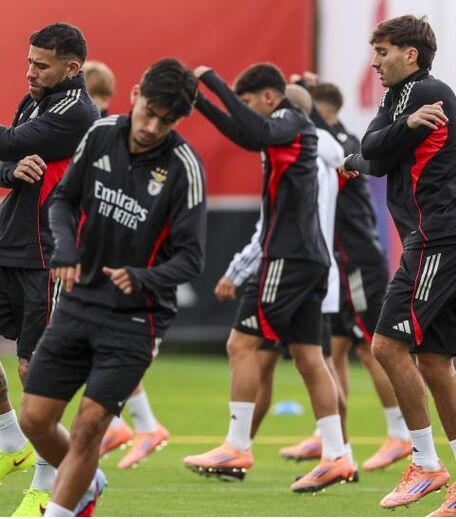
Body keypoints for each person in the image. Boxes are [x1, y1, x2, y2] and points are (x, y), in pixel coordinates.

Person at [20, 58, 205, 517]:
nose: (151, 126)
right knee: (35, 419)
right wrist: (65, 249)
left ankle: (65, 506)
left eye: (166, 121)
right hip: (79, 301)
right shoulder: (100, 135)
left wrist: (142, 277)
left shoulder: (184, 167)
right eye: (149, 112)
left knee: (88, 428)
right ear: (135, 92)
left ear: (180, 121)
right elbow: (63, 199)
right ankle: (86, 481)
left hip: (135, 318)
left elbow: (192, 259)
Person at [0, 22, 99, 515]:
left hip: (48, 257)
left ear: (71, 68)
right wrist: (9, 170)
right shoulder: (34, 98)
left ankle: (46, 483)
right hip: (10, 247)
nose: (30, 71)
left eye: (41, 64)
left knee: (37, 372)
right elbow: (0, 159)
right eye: (29, 61)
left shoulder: (76, 112)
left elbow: (5, 139)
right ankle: (11, 443)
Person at [183, 63, 355, 492]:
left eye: (248, 102)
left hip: (287, 258)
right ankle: (337, 455)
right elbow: (243, 133)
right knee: (309, 356)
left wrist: (210, 78)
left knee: (240, 343)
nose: (246, 113)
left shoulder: (288, 120)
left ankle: (237, 444)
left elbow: (251, 130)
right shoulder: (286, 133)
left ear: (269, 98)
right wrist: (200, 100)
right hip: (312, 259)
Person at [339, 15, 456, 514]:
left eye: (382, 51)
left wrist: (379, 143)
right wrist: (382, 141)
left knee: (387, 345)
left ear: (410, 54)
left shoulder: (423, 90)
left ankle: (427, 463)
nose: (374, 61)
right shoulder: (400, 99)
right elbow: (374, 152)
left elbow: (371, 151)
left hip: (435, 238)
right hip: (437, 238)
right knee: (432, 361)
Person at [277, 75, 409, 471]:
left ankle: (400, 434)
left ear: (323, 111)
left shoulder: (343, 144)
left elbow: (332, 141)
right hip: (335, 262)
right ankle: (334, 438)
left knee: (375, 349)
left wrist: (305, 101)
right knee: (330, 351)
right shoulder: (318, 143)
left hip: (357, 260)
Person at [82, 59, 172, 470]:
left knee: (106, 343)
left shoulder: (105, 136)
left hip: (116, 262)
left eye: (96, 98)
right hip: (96, 254)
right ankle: (142, 423)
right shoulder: (105, 136)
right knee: (97, 344)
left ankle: (133, 423)